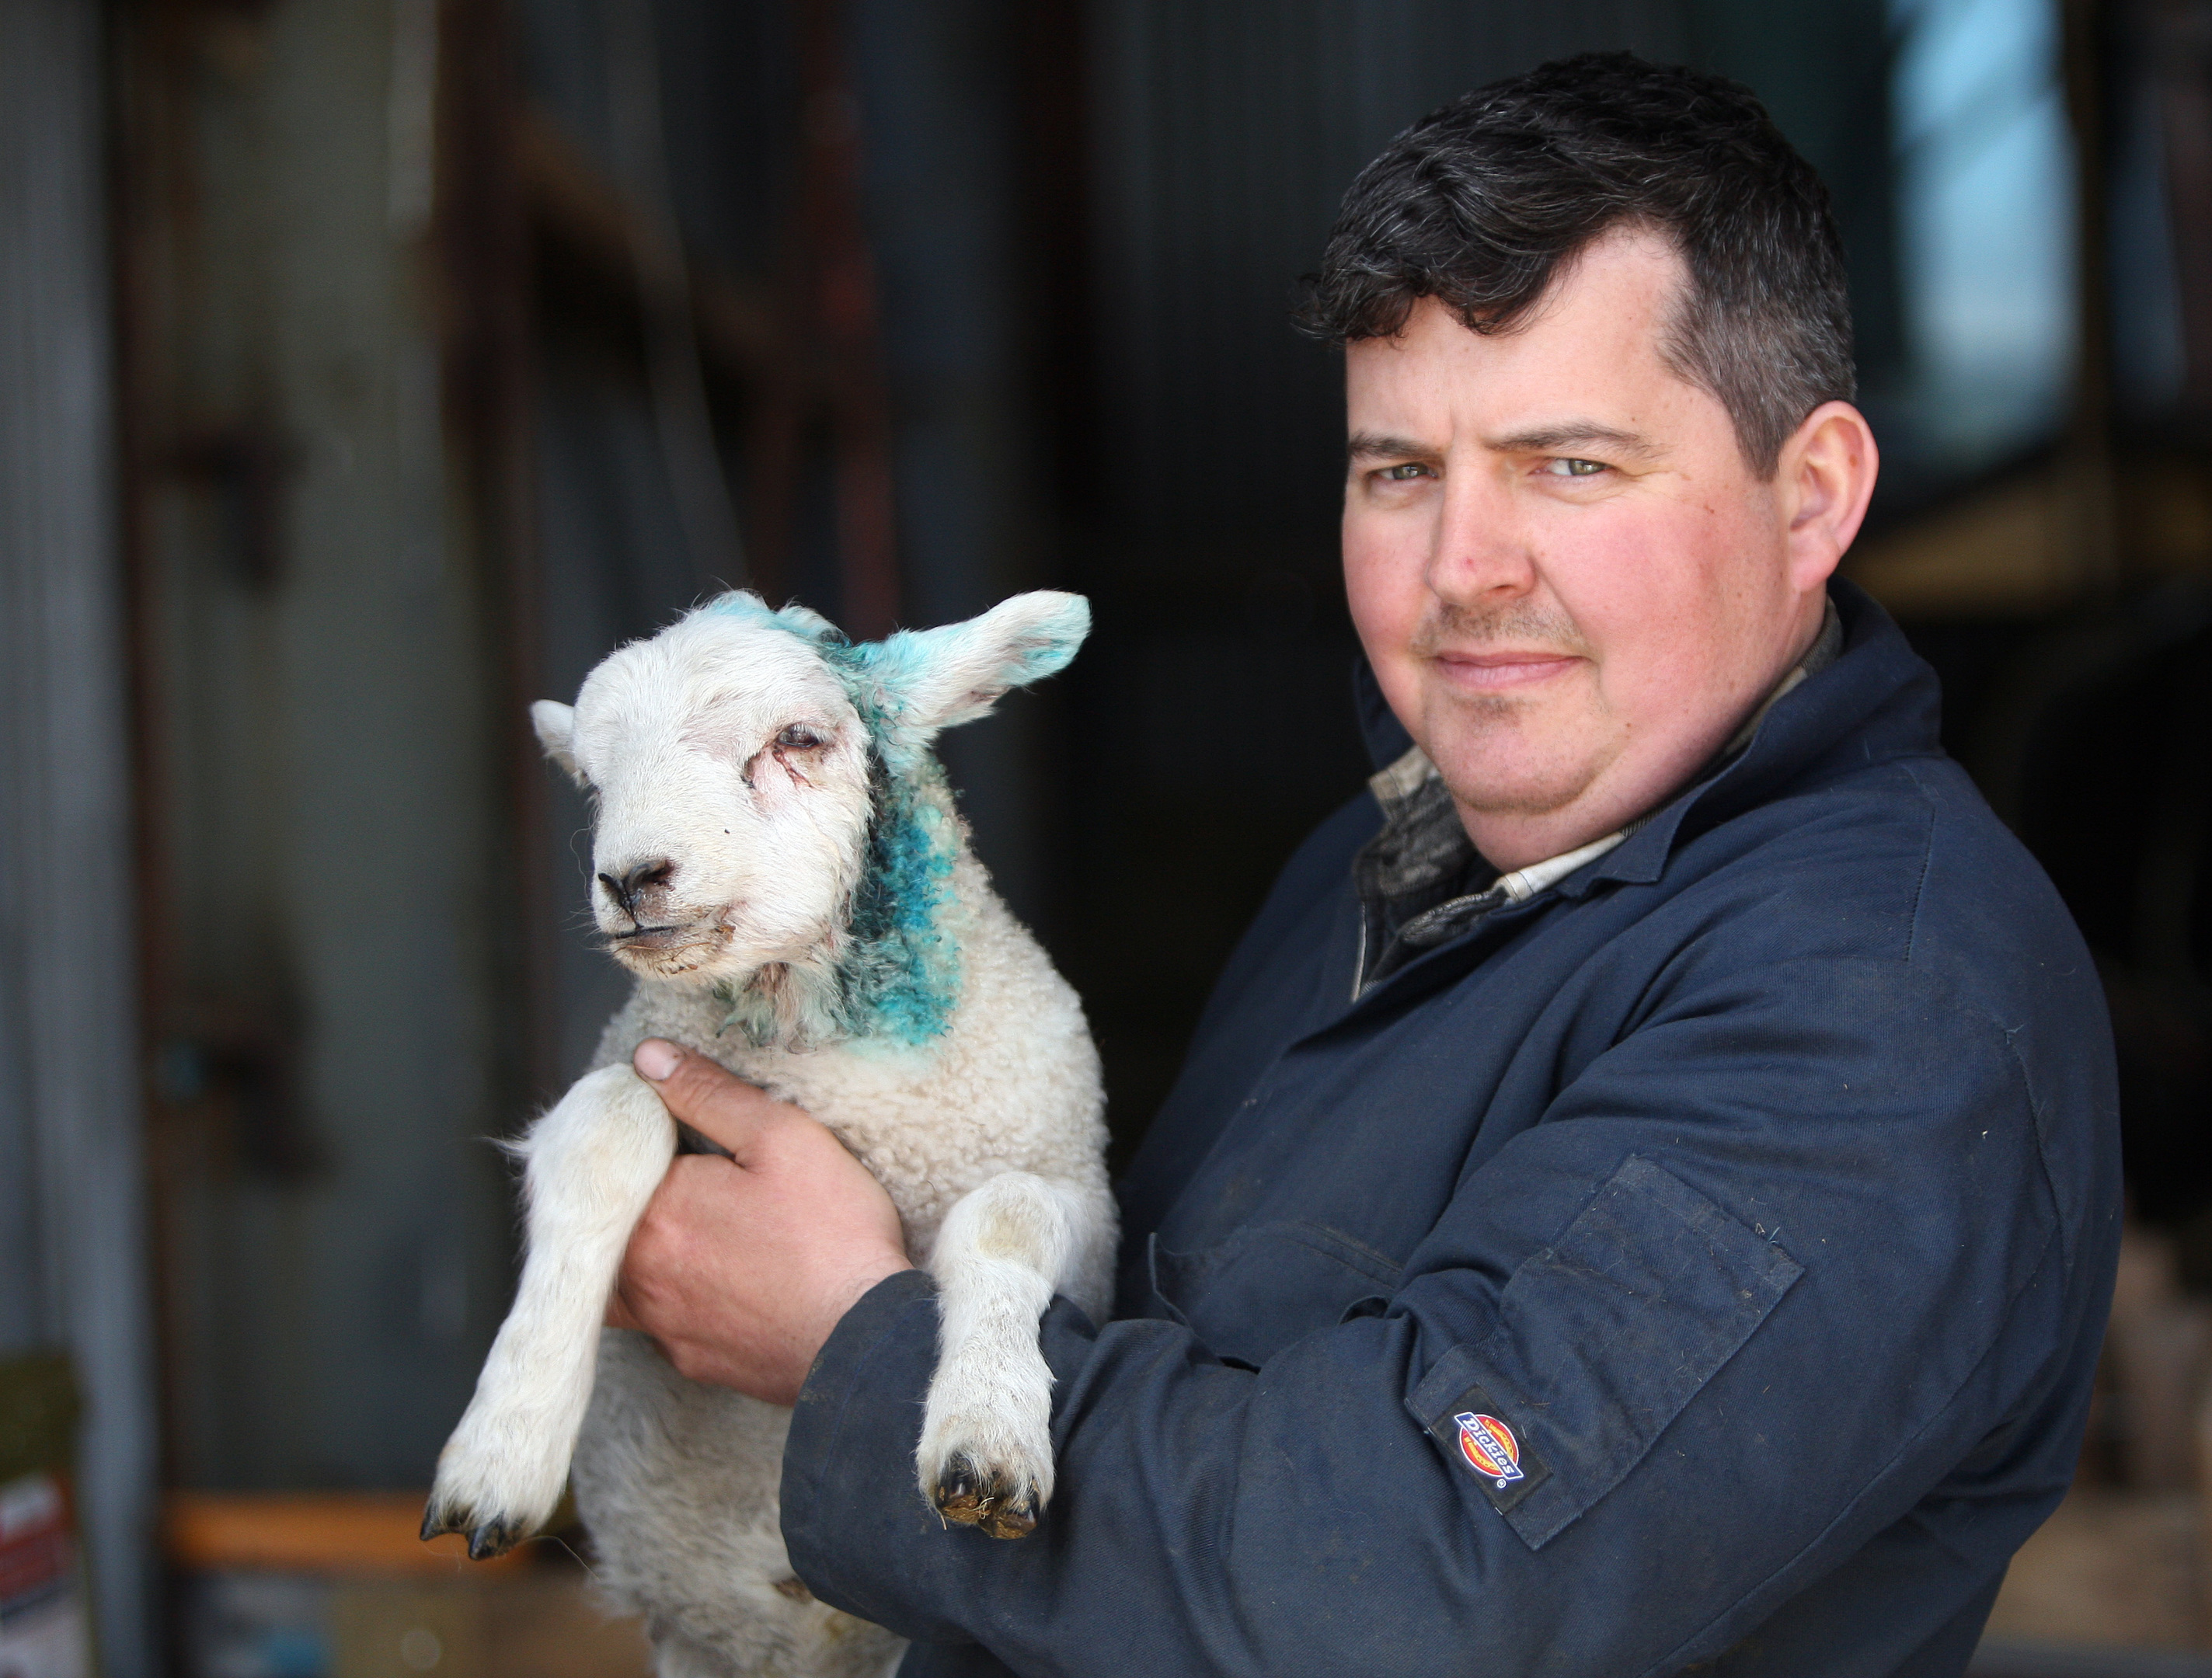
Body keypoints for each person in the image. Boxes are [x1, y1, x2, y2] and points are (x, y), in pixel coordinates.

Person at [607, 51, 2120, 1677]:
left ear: (1810, 496)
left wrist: (854, 1348)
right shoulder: (1382, 861)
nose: (1461, 569)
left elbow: (1414, 1591)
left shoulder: (1878, 1008)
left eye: (1571, 466)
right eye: (1400, 473)